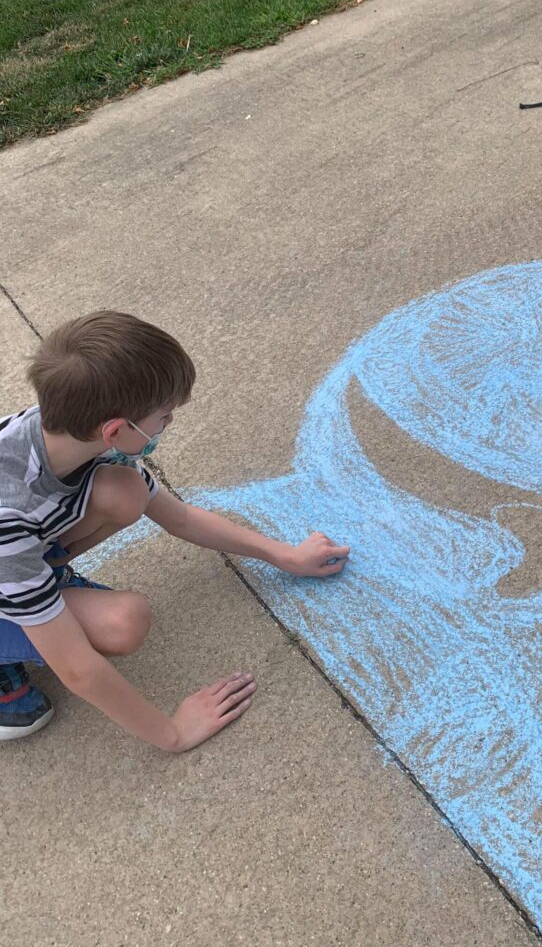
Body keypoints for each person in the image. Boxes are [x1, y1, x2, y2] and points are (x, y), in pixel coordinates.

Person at [0, 311, 349, 749]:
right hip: (9, 557)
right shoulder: (8, 522)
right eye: (163, 417)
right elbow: (78, 669)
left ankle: (37, 586)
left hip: (17, 559)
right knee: (124, 623)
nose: (169, 424)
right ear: (115, 429)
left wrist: (284, 555)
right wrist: (173, 733)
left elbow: (178, 517)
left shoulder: (66, 432)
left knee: (125, 493)